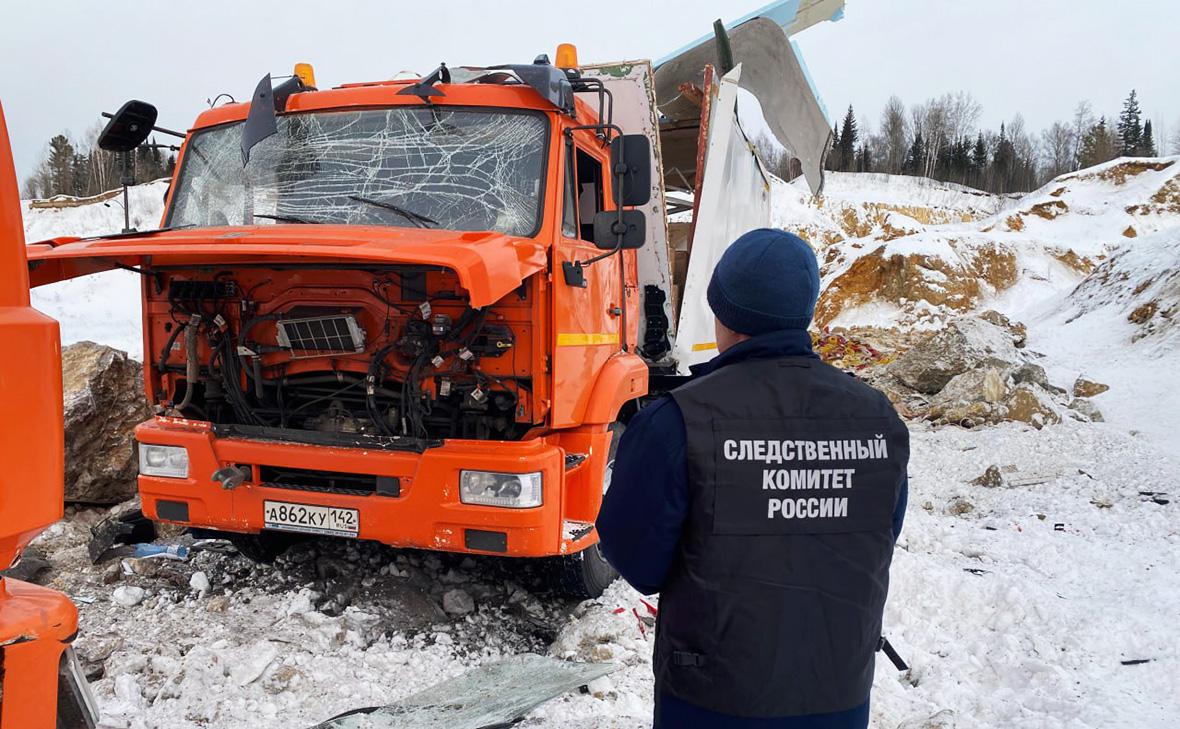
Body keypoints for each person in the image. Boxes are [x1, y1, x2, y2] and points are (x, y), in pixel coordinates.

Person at [597, 228, 909, 729]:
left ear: (722, 312)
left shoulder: (678, 422)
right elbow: (876, 535)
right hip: (839, 695)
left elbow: (637, 561)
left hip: (712, 701)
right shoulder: (878, 419)